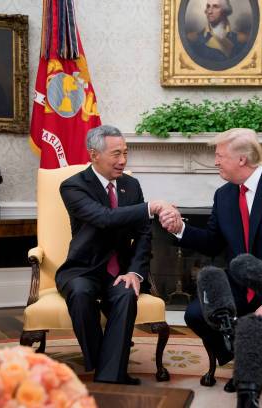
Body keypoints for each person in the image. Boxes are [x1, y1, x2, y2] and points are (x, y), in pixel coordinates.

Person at [160, 128, 262, 406]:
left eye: (220, 156)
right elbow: (212, 242)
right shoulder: (224, 196)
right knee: (197, 313)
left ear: (242, 160)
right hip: (243, 282)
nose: (215, 162)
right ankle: (243, 360)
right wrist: (180, 229)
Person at [56, 125, 174, 384]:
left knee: (126, 294)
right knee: (80, 292)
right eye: (116, 154)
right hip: (83, 268)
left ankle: (109, 378)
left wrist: (134, 271)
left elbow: (144, 233)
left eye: (126, 153)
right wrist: (150, 207)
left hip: (119, 270)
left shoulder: (131, 186)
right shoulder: (73, 186)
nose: (123, 161)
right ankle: (104, 364)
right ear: (94, 155)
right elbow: (103, 217)